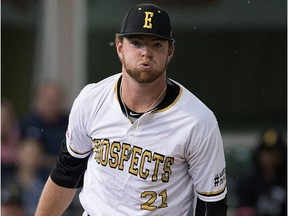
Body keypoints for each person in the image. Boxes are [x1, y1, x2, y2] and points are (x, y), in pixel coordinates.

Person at [35, 3, 227, 216]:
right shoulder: (92, 100)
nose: (146, 53)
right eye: (136, 43)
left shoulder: (198, 120)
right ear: (119, 47)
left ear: (170, 51)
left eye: (156, 45)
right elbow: (65, 174)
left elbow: (212, 204)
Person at [20, 81, 69, 175]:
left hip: (64, 176)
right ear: (38, 100)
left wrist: (43, 159)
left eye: (55, 101)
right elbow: (26, 156)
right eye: (48, 101)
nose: (51, 106)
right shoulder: (29, 122)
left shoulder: (70, 123)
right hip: (34, 177)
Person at [235, 128, 287, 216]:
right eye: (266, 153)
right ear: (258, 155)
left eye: (275, 153)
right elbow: (243, 208)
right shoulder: (248, 180)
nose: (270, 158)